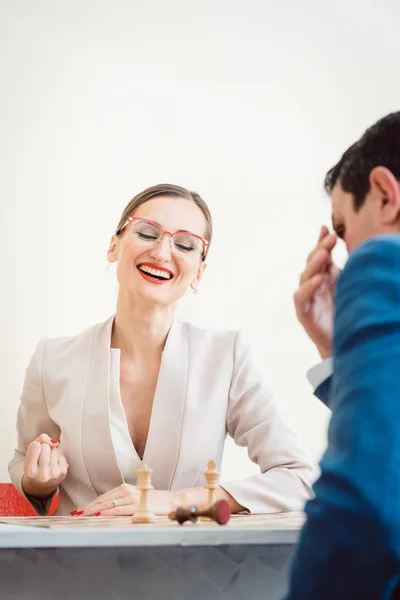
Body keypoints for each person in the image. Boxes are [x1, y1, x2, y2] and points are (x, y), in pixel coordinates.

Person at [9, 183, 314, 517]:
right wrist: (38, 483)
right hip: (76, 565)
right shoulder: (50, 360)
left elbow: (299, 479)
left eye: (185, 244)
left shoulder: (227, 357)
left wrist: (176, 500)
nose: (162, 252)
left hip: (191, 566)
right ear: (114, 246)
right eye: (147, 233)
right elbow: (26, 468)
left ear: (199, 271)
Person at [287, 112, 400, 599]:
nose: (345, 252)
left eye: (343, 227)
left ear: (384, 194)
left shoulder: (378, 263)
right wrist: (335, 351)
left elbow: (364, 503)